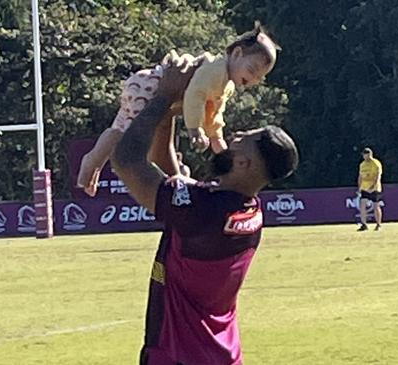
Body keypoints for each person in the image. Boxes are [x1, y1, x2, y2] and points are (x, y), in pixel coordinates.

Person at [111, 55, 299, 365]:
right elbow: (173, 177)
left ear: (243, 163)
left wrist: (162, 96)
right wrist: (176, 109)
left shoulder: (203, 210)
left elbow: (127, 161)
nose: (233, 138)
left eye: (242, 140)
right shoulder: (247, 210)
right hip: (221, 355)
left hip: (177, 355)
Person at [77, 23, 280, 196]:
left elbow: (214, 114)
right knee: (128, 136)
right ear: (236, 54)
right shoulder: (216, 69)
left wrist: (217, 141)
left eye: (258, 78)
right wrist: (194, 130)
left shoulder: (226, 84)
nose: (252, 80)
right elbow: (195, 96)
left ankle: (95, 160)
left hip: (145, 87)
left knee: (121, 128)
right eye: (252, 70)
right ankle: (93, 160)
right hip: (151, 87)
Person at [357, 147, 383, 231]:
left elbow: (378, 176)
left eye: (366, 155)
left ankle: (378, 224)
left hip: (374, 188)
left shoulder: (376, 163)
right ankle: (364, 224)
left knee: (376, 206)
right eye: (364, 155)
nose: (365, 156)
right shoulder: (362, 164)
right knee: (362, 205)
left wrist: (373, 186)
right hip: (365, 187)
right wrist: (359, 187)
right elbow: (360, 176)